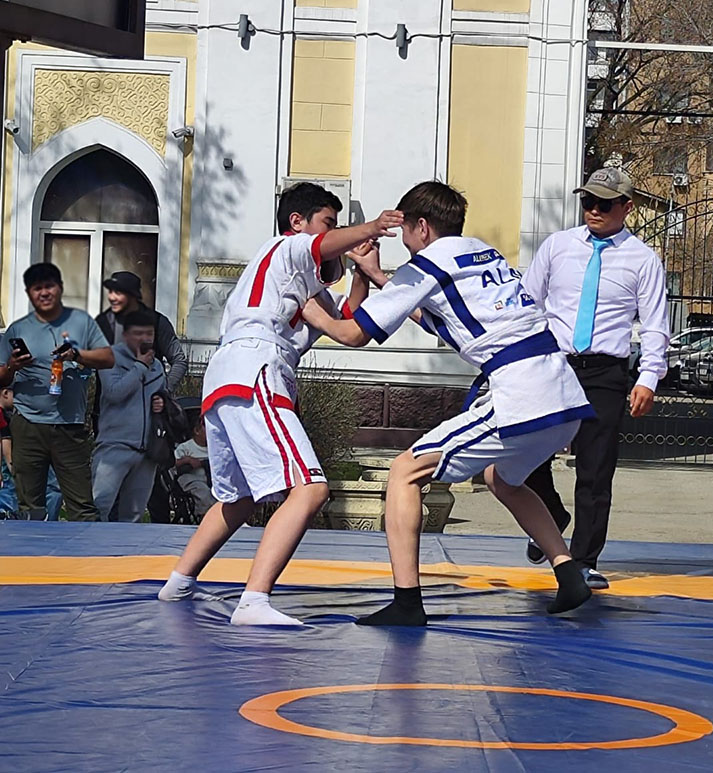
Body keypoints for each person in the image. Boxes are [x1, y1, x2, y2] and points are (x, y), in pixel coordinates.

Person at [302, 180, 595, 626]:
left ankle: (407, 601)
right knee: (502, 480)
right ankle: (568, 572)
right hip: (563, 392)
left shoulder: (426, 265)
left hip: (521, 393)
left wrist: (308, 308)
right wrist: (379, 277)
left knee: (404, 471)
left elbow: (353, 334)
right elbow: (443, 319)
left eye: (406, 232)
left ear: (421, 226)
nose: (405, 242)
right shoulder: (484, 254)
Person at [158, 181, 404, 626]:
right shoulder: (286, 248)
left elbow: (349, 330)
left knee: (239, 497)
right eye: (328, 223)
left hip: (228, 373)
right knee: (311, 488)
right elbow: (323, 248)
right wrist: (373, 226)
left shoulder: (301, 286)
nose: (334, 235)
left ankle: (179, 581)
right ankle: (253, 600)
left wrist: (363, 274)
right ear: (298, 222)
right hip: (258, 366)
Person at [521, 167, 669, 589]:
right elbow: (527, 302)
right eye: (587, 201)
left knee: (595, 469)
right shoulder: (558, 246)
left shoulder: (642, 259)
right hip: (554, 364)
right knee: (525, 453)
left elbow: (655, 324)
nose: (594, 210)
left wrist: (649, 377)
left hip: (605, 372)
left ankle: (583, 560)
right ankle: (550, 516)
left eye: (604, 203)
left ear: (627, 206)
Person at [0, 263, 114, 520]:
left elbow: (108, 359)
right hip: (28, 424)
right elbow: (1, 377)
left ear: (60, 288)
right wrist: (12, 366)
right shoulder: (18, 329)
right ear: (29, 293)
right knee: (29, 506)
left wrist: (77, 355)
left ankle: (85, 546)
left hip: (69, 426)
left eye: (49, 286)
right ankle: (31, 545)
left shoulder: (82, 323)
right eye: (37, 288)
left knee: (82, 506)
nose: (44, 293)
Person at [95, 270, 188, 524]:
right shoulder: (103, 326)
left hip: (149, 436)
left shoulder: (157, 323)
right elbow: (110, 387)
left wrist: (163, 392)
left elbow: (179, 360)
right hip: (113, 428)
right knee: (102, 503)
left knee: (146, 503)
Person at [92, 310, 167, 522]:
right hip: (115, 447)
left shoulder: (157, 365)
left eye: (149, 334)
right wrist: (140, 367)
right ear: (125, 335)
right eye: (138, 333)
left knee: (133, 515)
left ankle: (125, 546)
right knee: (99, 507)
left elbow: (163, 393)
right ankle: (92, 544)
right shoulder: (110, 358)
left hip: (147, 451)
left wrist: (162, 402)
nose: (145, 339)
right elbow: (114, 393)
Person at [0, 384, 63, 520]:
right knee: (9, 493)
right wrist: (11, 465)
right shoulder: (2, 414)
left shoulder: (9, 413)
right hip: (10, 462)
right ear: (5, 393)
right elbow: (4, 441)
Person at [174, 414, 215, 519]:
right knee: (203, 492)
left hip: (211, 479)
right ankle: (205, 517)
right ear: (197, 430)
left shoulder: (214, 448)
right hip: (192, 479)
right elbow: (173, 464)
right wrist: (187, 460)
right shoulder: (185, 447)